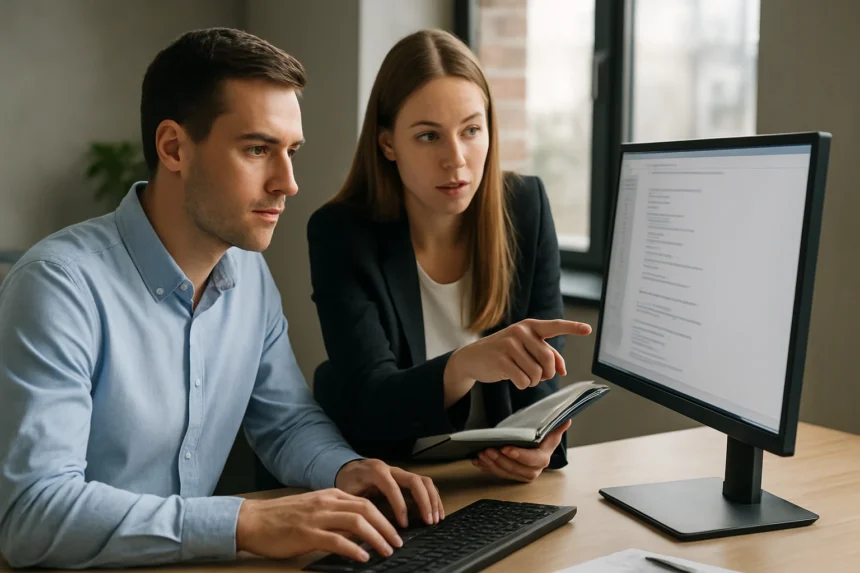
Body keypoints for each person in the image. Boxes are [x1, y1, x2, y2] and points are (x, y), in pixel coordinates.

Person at [0, 28, 442, 569]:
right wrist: (246, 522)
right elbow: (32, 512)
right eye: (257, 149)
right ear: (173, 148)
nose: (288, 182)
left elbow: (286, 422)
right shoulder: (57, 287)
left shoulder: (248, 276)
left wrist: (344, 470)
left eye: (292, 151)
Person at [308, 29, 593, 484]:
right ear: (387, 144)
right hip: (388, 483)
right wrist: (462, 365)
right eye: (428, 137)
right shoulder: (341, 233)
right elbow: (370, 400)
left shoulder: (526, 207)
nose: (456, 159)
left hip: (490, 484)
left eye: (471, 130)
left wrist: (542, 445)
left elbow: (541, 385)